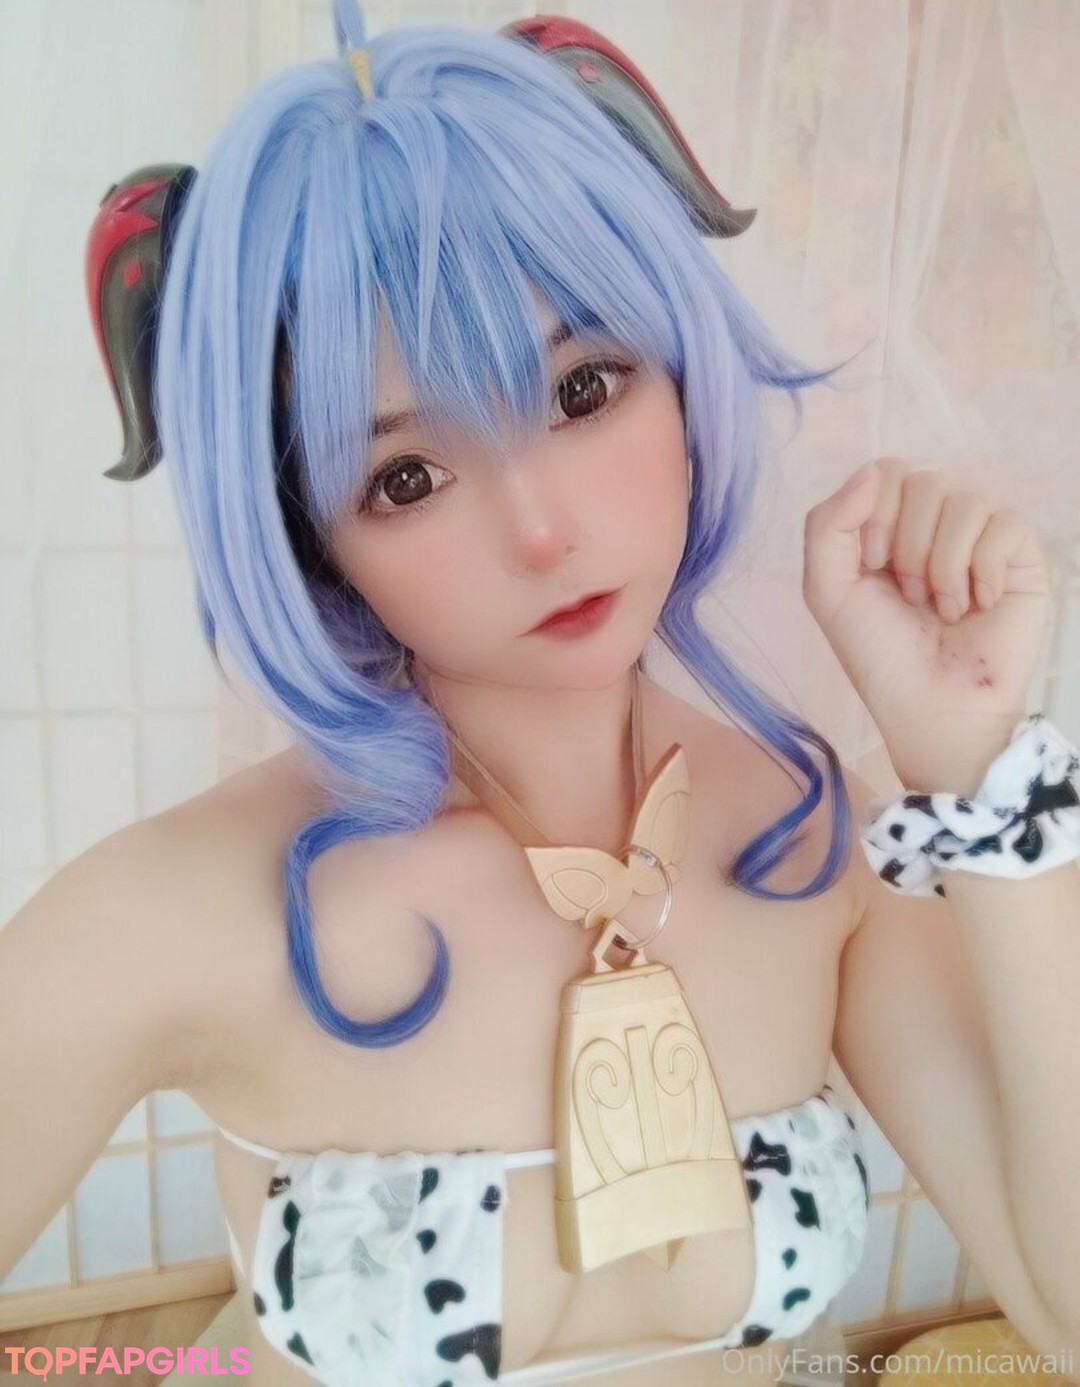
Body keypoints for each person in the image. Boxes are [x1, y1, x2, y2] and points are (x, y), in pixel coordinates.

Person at [3, 3, 1080, 1385]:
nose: (541, 529)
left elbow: (1064, 1307)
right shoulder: (181, 910)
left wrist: (984, 772)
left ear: (678, 373)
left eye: (583, 388)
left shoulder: (810, 840)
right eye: (407, 475)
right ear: (310, 536)